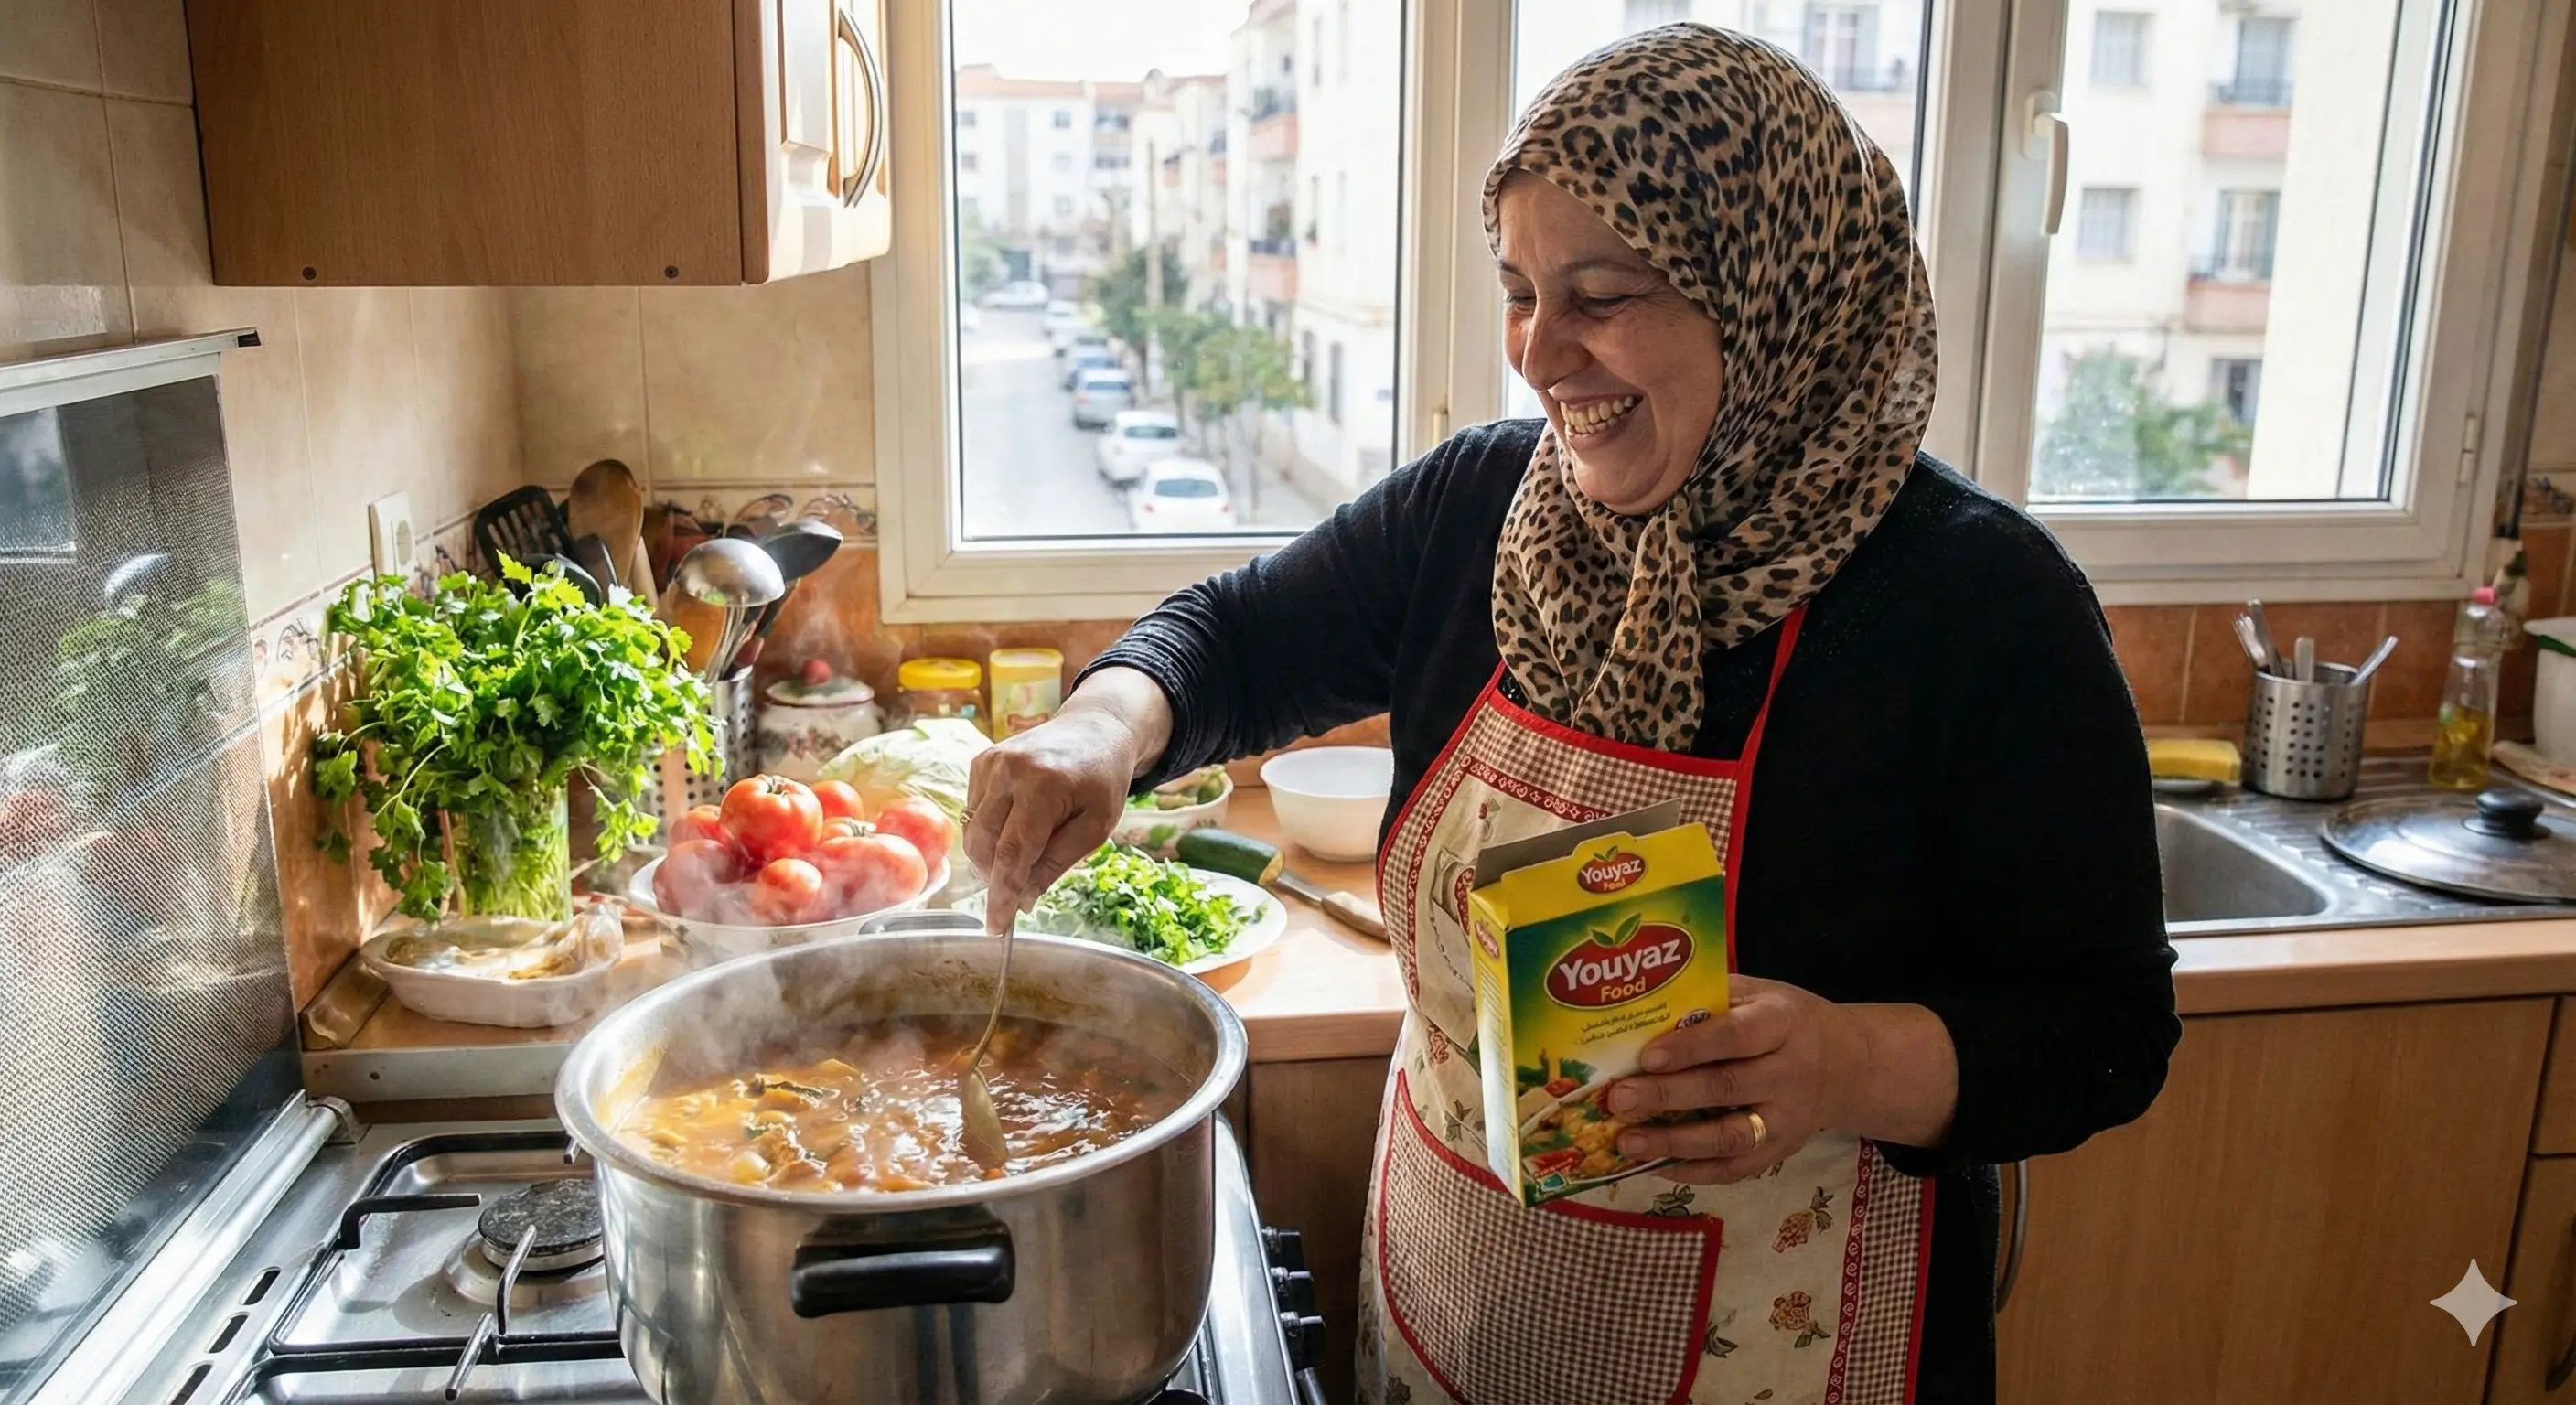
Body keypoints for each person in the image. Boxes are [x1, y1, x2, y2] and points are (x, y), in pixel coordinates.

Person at [965, 24, 2176, 1404]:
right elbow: (1229, 637)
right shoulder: (1478, 512)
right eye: (1519, 289)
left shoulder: (1975, 604)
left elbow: (2108, 1030)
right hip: (1450, 1324)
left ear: (1769, 291)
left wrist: (1850, 1062)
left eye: (1600, 293)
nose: (1542, 353)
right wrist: (1099, 730)